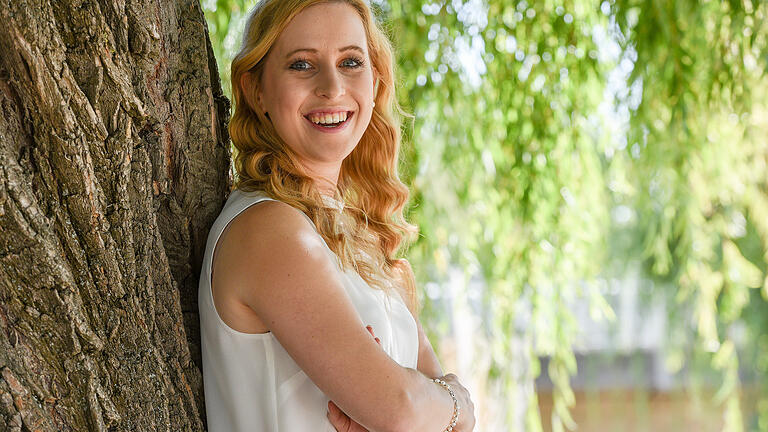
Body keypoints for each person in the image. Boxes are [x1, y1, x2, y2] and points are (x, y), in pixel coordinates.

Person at [198, 0, 476, 430]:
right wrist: (456, 400)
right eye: (302, 65)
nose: (332, 87)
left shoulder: (361, 240)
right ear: (256, 89)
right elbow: (404, 410)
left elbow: (427, 417)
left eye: (350, 61)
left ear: (374, 80)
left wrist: (432, 408)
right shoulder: (269, 230)